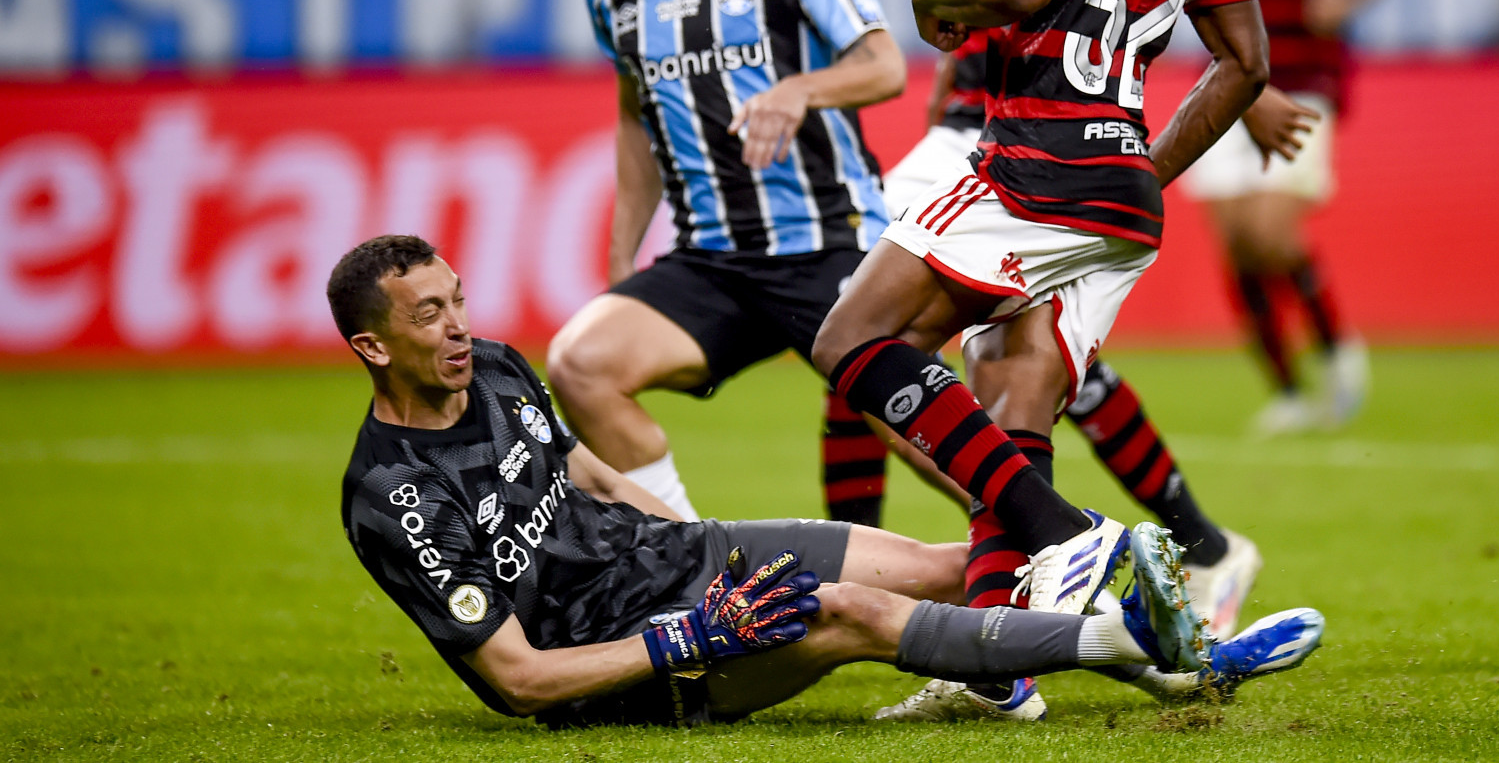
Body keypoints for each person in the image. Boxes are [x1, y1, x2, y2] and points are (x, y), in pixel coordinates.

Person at [806, 0, 1314, 640]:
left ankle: (1066, 534)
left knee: (849, 337)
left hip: (1032, 162)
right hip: (1121, 192)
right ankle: (1004, 660)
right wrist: (1147, 169)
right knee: (1016, 387)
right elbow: (1244, 61)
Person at [332, 234, 1326, 728]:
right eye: (429, 316)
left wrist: (683, 537)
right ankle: (1142, 647)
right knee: (852, 611)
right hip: (629, 655)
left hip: (681, 565)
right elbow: (517, 679)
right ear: (373, 344)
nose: (458, 327)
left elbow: (576, 464)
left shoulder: (498, 368)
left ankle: (1147, 659)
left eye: (457, 301)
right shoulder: (396, 496)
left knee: (946, 563)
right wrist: (687, 631)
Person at [544, 0, 909, 523]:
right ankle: (690, 564)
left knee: (938, 447)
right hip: (713, 261)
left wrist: (799, 90)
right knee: (580, 364)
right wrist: (620, 261)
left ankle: (1063, 565)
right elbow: (634, 118)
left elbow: (883, 65)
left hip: (829, 242)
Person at [1187, 0, 1397, 435]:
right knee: (1235, 241)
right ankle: (1284, 388)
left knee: (1271, 231)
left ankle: (1336, 348)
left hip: (1305, 75)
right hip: (1226, 78)